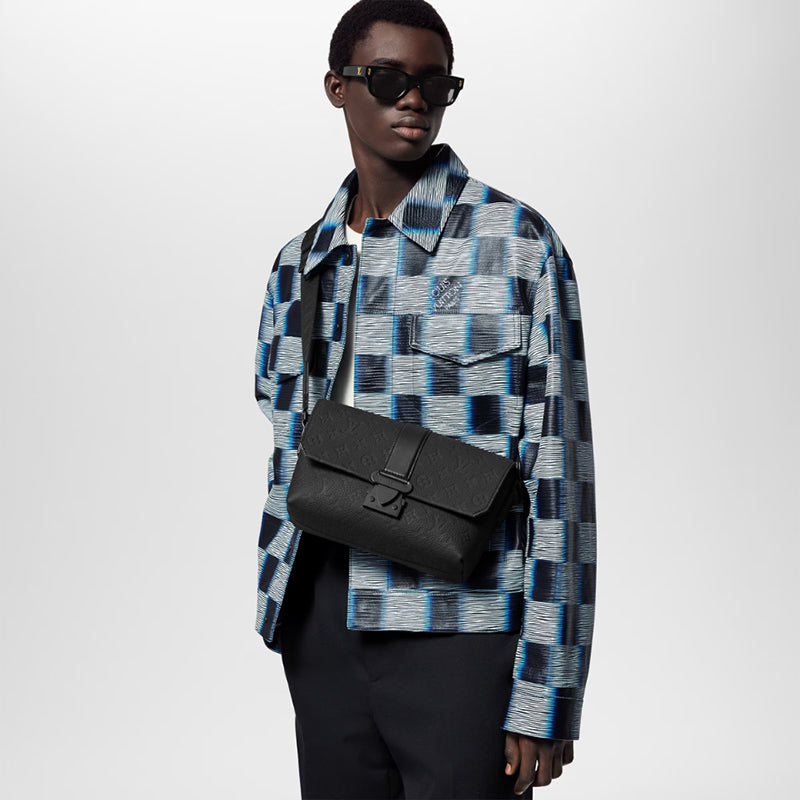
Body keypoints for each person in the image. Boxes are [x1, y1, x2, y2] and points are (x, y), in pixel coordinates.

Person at [254, 1, 596, 797]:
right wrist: (288, 609)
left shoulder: (516, 244)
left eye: (436, 83)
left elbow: (560, 475)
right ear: (338, 87)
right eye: (389, 79)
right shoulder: (299, 263)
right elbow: (279, 435)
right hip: (322, 612)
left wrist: (547, 689)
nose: (414, 98)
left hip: (464, 626)